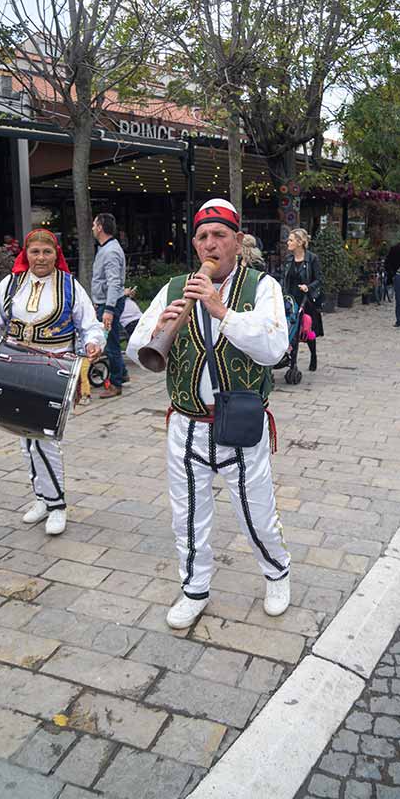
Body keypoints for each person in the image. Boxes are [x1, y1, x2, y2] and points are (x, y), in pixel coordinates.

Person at [127, 198, 291, 630]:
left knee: (255, 510)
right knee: (188, 513)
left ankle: (277, 573)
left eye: (220, 235)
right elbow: (136, 349)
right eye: (202, 237)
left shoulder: (262, 286)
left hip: (239, 421)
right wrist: (159, 326)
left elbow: (275, 348)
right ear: (195, 244)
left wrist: (221, 310)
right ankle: (194, 590)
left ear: (237, 241)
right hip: (185, 423)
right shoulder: (175, 286)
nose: (210, 244)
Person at [0, 229, 104, 535]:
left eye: (47, 252)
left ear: (56, 254)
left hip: (54, 371)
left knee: (44, 439)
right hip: (15, 369)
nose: (41, 258)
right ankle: (43, 499)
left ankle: (57, 505)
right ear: (26, 254)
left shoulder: (70, 287)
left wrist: (93, 343)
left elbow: (90, 325)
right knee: (26, 439)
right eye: (35, 252)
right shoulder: (10, 284)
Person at [91, 213, 126, 398]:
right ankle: (123, 374)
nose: (92, 228)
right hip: (106, 302)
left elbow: (114, 282)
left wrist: (109, 310)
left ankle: (115, 384)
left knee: (110, 344)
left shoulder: (110, 251)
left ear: (100, 227)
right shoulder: (106, 248)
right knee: (111, 339)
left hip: (109, 303)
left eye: (94, 224)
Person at [282, 229, 323, 371]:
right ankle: (292, 364)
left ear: (300, 243)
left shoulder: (312, 259)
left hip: (306, 300)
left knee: (307, 330)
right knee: (291, 331)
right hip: (290, 300)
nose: (288, 242)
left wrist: (308, 287)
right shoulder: (288, 259)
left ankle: (313, 355)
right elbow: (284, 279)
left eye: (291, 240)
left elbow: (319, 279)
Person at [119, 287, 143, 384]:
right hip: (129, 322)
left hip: (140, 318)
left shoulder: (126, 296)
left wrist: (129, 295)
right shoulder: (117, 296)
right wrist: (124, 295)